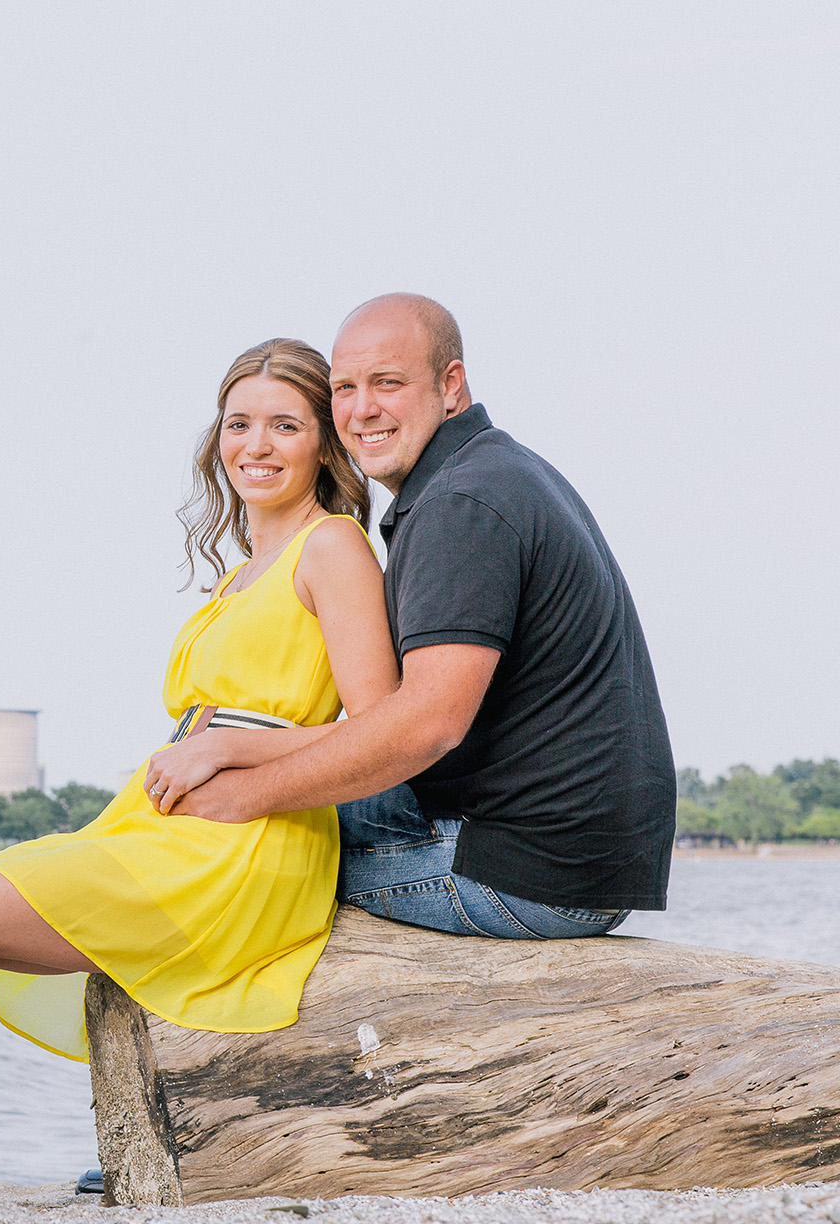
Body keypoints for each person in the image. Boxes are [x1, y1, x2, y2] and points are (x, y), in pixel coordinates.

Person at [0, 338, 401, 1211]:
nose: (255, 446)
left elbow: (379, 732)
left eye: (285, 426)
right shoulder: (238, 574)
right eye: (239, 424)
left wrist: (227, 749)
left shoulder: (332, 548)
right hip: (165, 818)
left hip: (249, 838)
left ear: (325, 446)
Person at [153, 294, 676, 937]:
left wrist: (245, 795)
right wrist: (237, 751)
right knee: (227, 794)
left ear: (450, 385)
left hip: (533, 877)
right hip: (546, 847)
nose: (362, 408)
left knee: (237, 849)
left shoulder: (462, 502)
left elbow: (428, 725)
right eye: (345, 387)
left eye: (388, 383)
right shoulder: (486, 471)